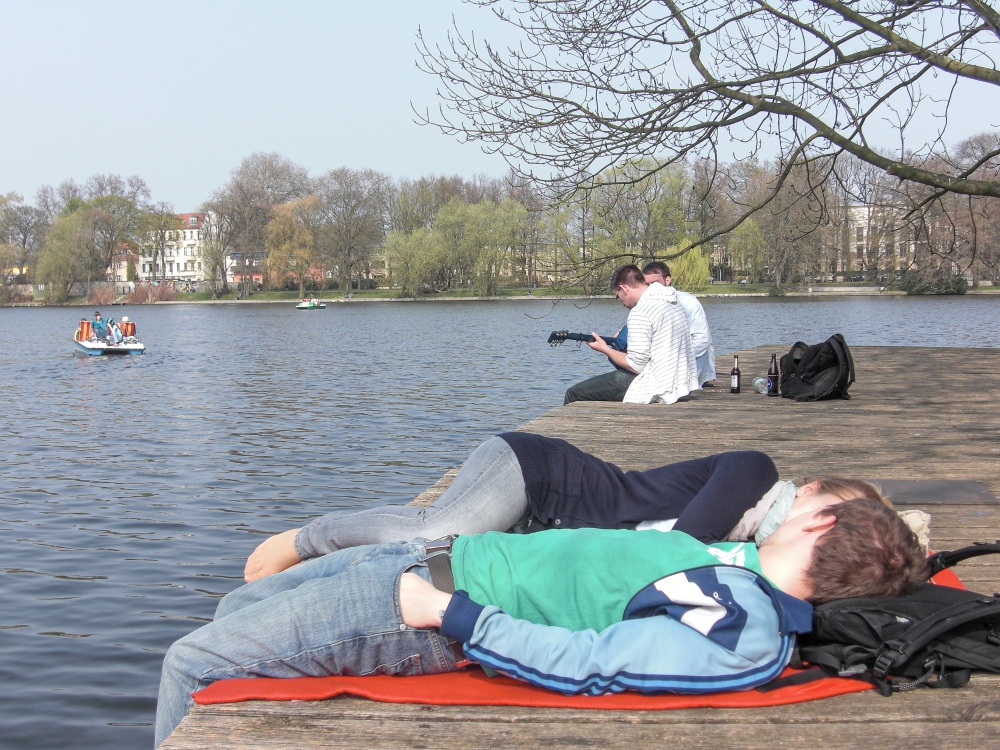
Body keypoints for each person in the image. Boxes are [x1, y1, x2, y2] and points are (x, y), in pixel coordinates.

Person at [155, 494, 929, 745]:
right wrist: (897, 552)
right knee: (233, 608)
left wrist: (450, 614)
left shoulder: (744, 621)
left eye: (811, 499)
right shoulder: (738, 564)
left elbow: (593, 661)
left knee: (191, 666)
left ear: (822, 528)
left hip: (410, 607)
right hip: (428, 557)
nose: (796, 497)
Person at [242, 432, 872, 584]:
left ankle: (309, 576)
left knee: (428, 565)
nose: (827, 530)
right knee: (440, 526)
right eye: (837, 512)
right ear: (811, 490)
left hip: (543, 526)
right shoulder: (755, 470)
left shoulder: (757, 551)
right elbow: (681, 548)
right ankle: (306, 537)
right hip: (536, 474)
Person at [565, 265, 698, 405]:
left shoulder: (640, 312)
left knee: (574, 393)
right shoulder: (673, 301)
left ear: (624, 289)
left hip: (659, 384)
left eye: (618, 296)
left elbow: (637, 366)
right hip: (681, 381)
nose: (621, 303)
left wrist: (606, 350)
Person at [642, 261, 716, 387]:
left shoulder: (688, 302)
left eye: (654, 283)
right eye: (647, 285)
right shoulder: (647, 305)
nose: (651, 289)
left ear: (668, 280)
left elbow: (702, 340)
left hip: (692, 364)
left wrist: (671, 360)